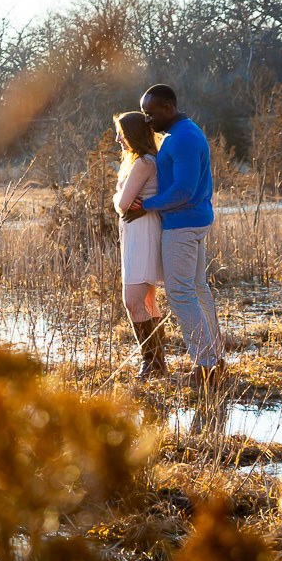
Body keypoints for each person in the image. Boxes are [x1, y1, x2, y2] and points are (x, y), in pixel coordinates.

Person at [122, 83, 225, 384]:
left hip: (182, 224)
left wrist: (148, 205)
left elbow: (184, 189)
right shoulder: (183, 133)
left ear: (167, 108)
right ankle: (214, 359)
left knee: (181, 294)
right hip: (192, 219)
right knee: (197, 289)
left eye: (150, 113)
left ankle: (206, 367)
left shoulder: (183, 139)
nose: (147, 120)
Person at [111, 110, 166, 380]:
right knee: (146, 300)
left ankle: (151, 362)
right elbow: (119, 201)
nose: (117, 138)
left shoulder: (144, 162)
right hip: (137, 230)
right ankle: (157, 365)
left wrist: (120, 200)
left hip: (143, 231)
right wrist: (120, 199)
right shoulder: (139, 161)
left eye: (121, 132)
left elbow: (122, 204)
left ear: (132, 133)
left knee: (133, 300)